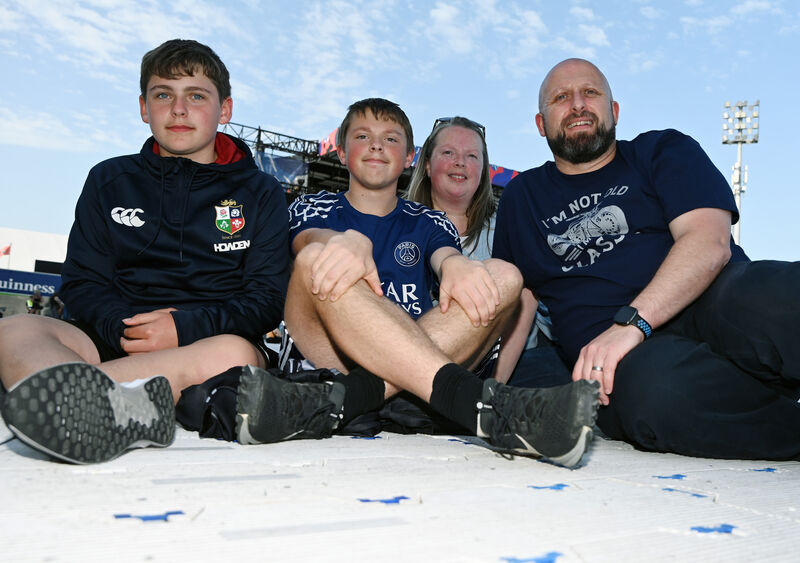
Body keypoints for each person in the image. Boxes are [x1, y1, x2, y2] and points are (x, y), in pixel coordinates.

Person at [233, 98, 600, 468]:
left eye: (390, 139)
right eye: (363, 136)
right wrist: (341, 242)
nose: (377, 145)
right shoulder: (310, 206)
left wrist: (456, 265)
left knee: (505, 276)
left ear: (409, 157)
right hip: (326, 353)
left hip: (408, 368)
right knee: (318, 258)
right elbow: (306, 240)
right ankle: (482, 408)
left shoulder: (429, 220)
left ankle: (338, 402)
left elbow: (446, 255)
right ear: (341, 152)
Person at [493, 57, 800, 460]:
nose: (578, 104)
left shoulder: (662, 149)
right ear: (540, 123)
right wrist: (488, 395)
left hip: (710, 302)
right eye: (561, 97)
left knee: (777, 297)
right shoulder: (522, 197)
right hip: (621, 358)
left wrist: (634, 322)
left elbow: (709, 242)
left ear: (614, 110)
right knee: (657, 394)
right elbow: (518, 301)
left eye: (590, 92)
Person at [0, 39, 290, 464]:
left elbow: (265, 300)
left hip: (207, 346)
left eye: (196, 96)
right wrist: (126, 329)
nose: (179, 109)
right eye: (163, 95)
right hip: (116, 339)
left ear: (225, 110)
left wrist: (183, 328)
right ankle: (111, 405)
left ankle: (71, 402)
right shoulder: (109, 179)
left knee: (236, 356)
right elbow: (82, 282)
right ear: (143, 107)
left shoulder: (262, 192)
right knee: (14, 330)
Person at [406, 116, 570, 388]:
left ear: (483, 170)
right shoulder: (398, 226)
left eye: (472, 156)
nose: (460, 162)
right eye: (448, 153)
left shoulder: (508, 224)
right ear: (427, 164)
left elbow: (526, 300)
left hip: (510, 362)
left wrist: (492, 387)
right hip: (418, 363)